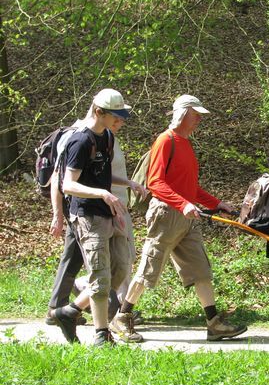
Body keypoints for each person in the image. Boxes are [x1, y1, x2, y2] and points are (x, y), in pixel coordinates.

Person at [110, 95, 248, 343]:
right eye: (195, 115)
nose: (198, 120)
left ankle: (213, 323)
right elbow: (155, 182)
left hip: (186, 216)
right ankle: (121, 317)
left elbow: (190, 187)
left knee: (200, 270)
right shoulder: (166, 140)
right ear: (182, 114)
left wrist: (217, 204)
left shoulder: (185, 143)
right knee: (149, 269)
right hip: (166, 214)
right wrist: (182, 204)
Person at [52, 88, 146, 346]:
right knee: (100, 276)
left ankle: (69, 312)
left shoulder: (107, 137)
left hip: (108, 213)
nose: (120, 122)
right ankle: (101, 335)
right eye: (115, 117)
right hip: (87, 215)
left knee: (120, 269)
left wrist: (127, 183)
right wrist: (103, 194)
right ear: (98, 112)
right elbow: (68, 184)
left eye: (121, 117)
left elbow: (101, 175)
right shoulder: (80, 141)